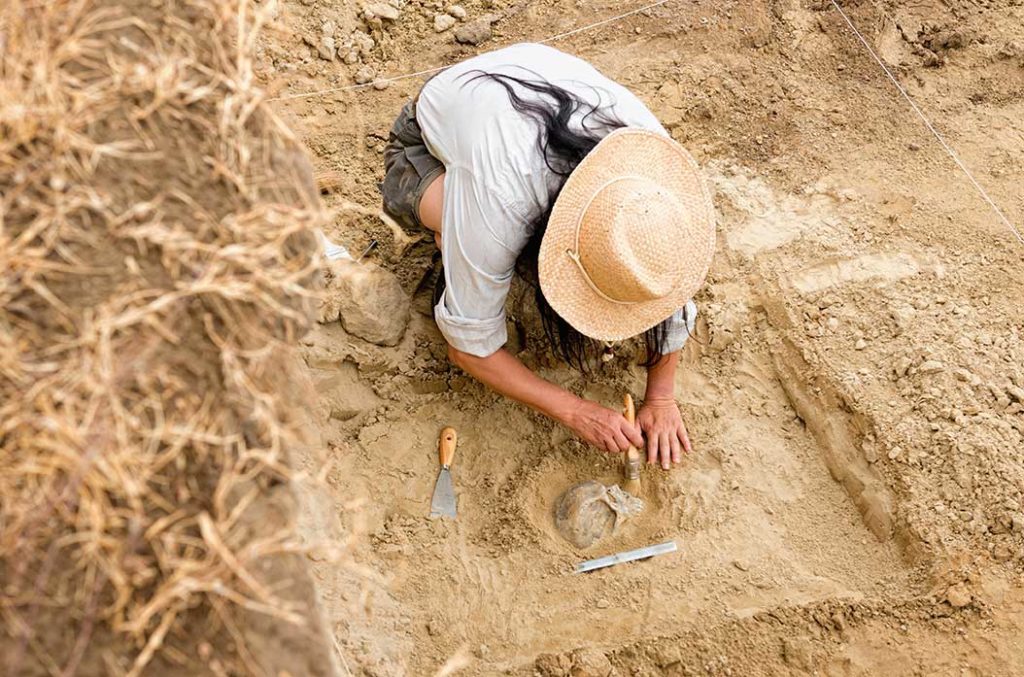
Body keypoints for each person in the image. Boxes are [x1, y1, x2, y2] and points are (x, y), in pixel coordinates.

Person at [380, 43, 715, 470]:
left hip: (525, 86)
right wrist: (575, 411)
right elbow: (468, 350)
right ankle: (454, 241)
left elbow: (668, 286)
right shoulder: (500, 206)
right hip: (429, 135)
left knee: (627, 255)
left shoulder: (651, 177)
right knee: (457, 225)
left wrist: (661, 396)